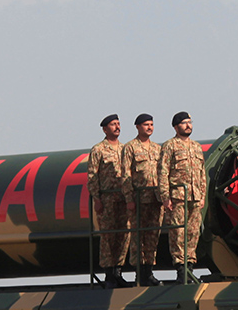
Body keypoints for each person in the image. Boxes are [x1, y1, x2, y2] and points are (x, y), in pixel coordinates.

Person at [157, 112, 206, 283]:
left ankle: (190, 268)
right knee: (178, 233)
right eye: (184, 123)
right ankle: (181, 270)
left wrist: (202, 196)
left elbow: (202, 173)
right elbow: (162, 172)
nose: (188, 126)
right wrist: (165, 196)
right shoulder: (170, 146)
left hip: (194, 197)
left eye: (190, 122)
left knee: (193, 233)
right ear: (176, 127)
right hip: (177, 198)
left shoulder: (196, 147)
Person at [87, 114, 131, 288]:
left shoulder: (126, 149)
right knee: (108, 237)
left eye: (118, 124)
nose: (117, 127)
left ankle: (118, 272)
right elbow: (92, 176)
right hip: (107, 201)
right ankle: (109, 275)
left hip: (123, 199)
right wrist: (97, 198)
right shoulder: (98, 150)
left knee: (124, 235)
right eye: (113, 124)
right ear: (105, 129)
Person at [121, 113, 162, 286]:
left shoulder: (157, 149)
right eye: (146, 124)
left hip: (155, 199)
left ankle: (149, 272)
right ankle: (139, 273)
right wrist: (129, 198)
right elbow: (126, 175)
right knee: (138, 237)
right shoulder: (130, 147)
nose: (149, 127)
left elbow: (163, 173)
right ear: (138, 127)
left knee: (153, 236)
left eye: (151, 124)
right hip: (139, 200)